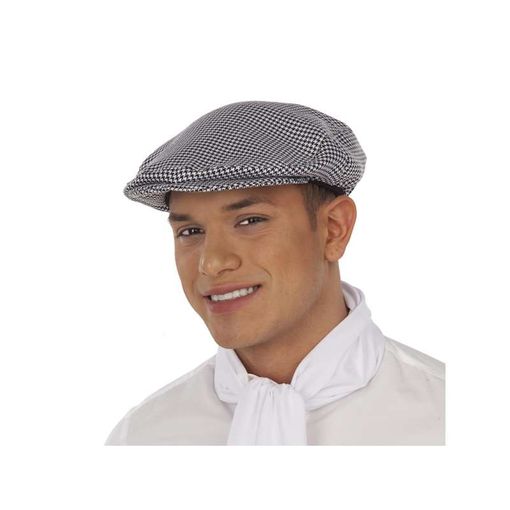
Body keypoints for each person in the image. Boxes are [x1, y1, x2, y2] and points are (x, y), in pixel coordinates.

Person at [105, 100, 445, 445]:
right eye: (190, 232)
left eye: (250, 221)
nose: (212, 262)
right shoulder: (142, 438)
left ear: (334, 229)